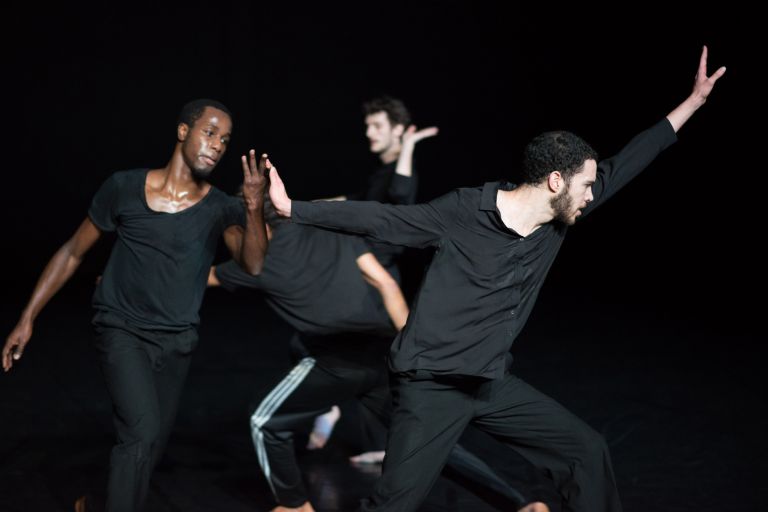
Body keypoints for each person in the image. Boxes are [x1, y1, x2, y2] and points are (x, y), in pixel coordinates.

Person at [265, 47, 725, 511]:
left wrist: (692, 103)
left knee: (586, 451)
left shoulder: (559, 218)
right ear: (554, 182)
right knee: (392, 505)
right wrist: (294, 209)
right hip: (432, 386)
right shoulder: (465, 211)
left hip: (489, 383)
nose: (592, 193)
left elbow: (628, 162)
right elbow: (384, 219)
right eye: (585, 185)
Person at [2, 99, 270, 512]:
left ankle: (95, 504)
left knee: (148, 451)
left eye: (226, 140)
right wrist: (27, 317)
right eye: (210, 132)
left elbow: (252, 264)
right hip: (121, 329)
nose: (217, 145)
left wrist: (253, 206)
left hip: (177, 341)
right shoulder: (124, 187)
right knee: (140, 436)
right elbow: (73, 252)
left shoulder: (221, 208)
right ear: (184, 132)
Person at [208, 196, 554, 512]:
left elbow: (203, 278)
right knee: (423, 444)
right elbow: (385, 283)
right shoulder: (330, 231)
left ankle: (294, 504)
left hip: (337, 362)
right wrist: (414, 352)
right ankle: (518, 503)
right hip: (385, 353)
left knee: (263, 420)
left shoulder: (255, 264)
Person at [309, 96, 438, 456]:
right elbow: (358, 199)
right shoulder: (380, 173)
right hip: (363, 274)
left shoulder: (400, 170)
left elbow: (401, 196)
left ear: (398, 130)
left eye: (377, 126)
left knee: (375, 360)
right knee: (352, 353)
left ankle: (348, 418)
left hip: (379, 279)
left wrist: (409, 147)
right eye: (368, 126)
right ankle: (340, 413)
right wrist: (313, 207)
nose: (369, 132)